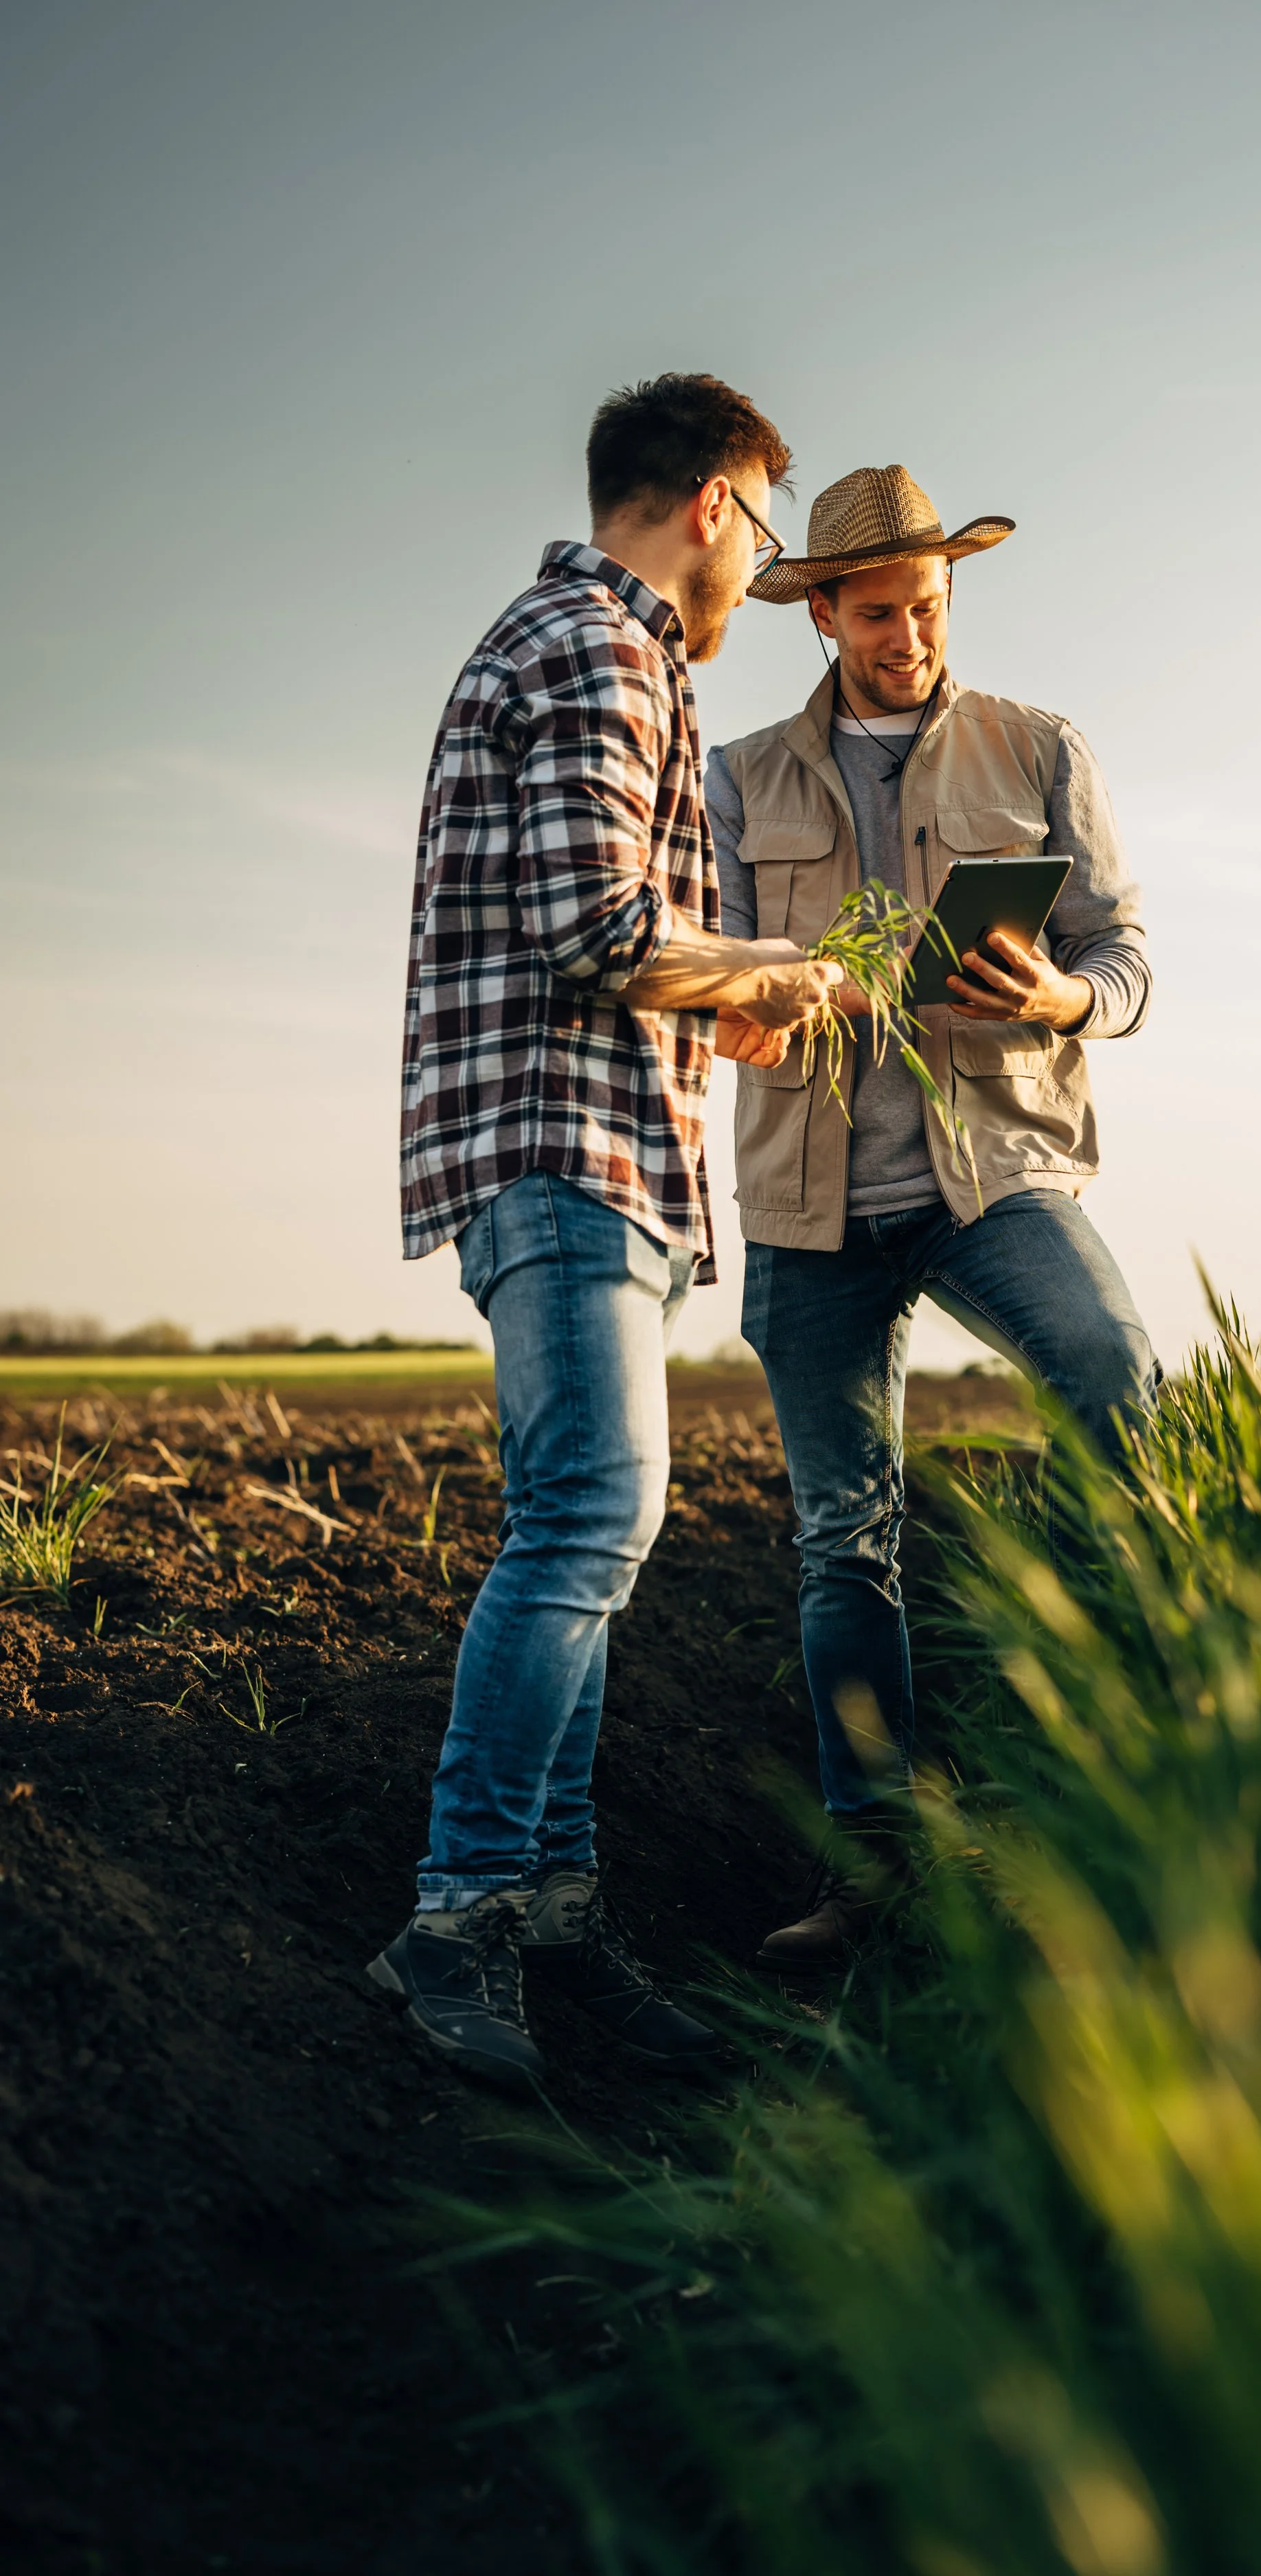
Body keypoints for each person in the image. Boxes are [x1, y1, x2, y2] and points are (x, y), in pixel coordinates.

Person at [370, 375, 837, 2090]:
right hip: (558, 1153)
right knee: (587, 1515)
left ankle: (552, 1920)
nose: (756, 564)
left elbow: (624, 945)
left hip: (602, 1147)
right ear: (712, 499)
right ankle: (457, 1916)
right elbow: (594, 927)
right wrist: (792, 970)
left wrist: (722, 1007)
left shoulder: (604, 652)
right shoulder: (598, 646)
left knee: (592, 1530)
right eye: (762, 523)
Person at [705, 463, 1161, 1973]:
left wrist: (1064, 996)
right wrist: (740, 1011)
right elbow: (696, 974)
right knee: (847, 1541)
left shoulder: (1038, 744)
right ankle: (878, 1871)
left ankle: (1097, 1789)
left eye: (928, 605)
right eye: (878, 610)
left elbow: (1124, 952)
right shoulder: (736, 776)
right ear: (819, 612)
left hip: (997, 1173)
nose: (908, 633)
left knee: (1112, 1379)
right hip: (812, 1203)